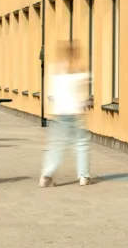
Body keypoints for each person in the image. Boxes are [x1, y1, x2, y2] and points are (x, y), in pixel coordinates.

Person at [39, 40, 91, 188]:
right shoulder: (80, 70)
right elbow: (83, 93)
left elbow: (51, 94)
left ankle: (46, 176)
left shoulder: (56, 70)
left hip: (59, 112)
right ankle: (84, 176)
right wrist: (85, 104)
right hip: (75, 111)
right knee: (81, 144)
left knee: (55, 145)